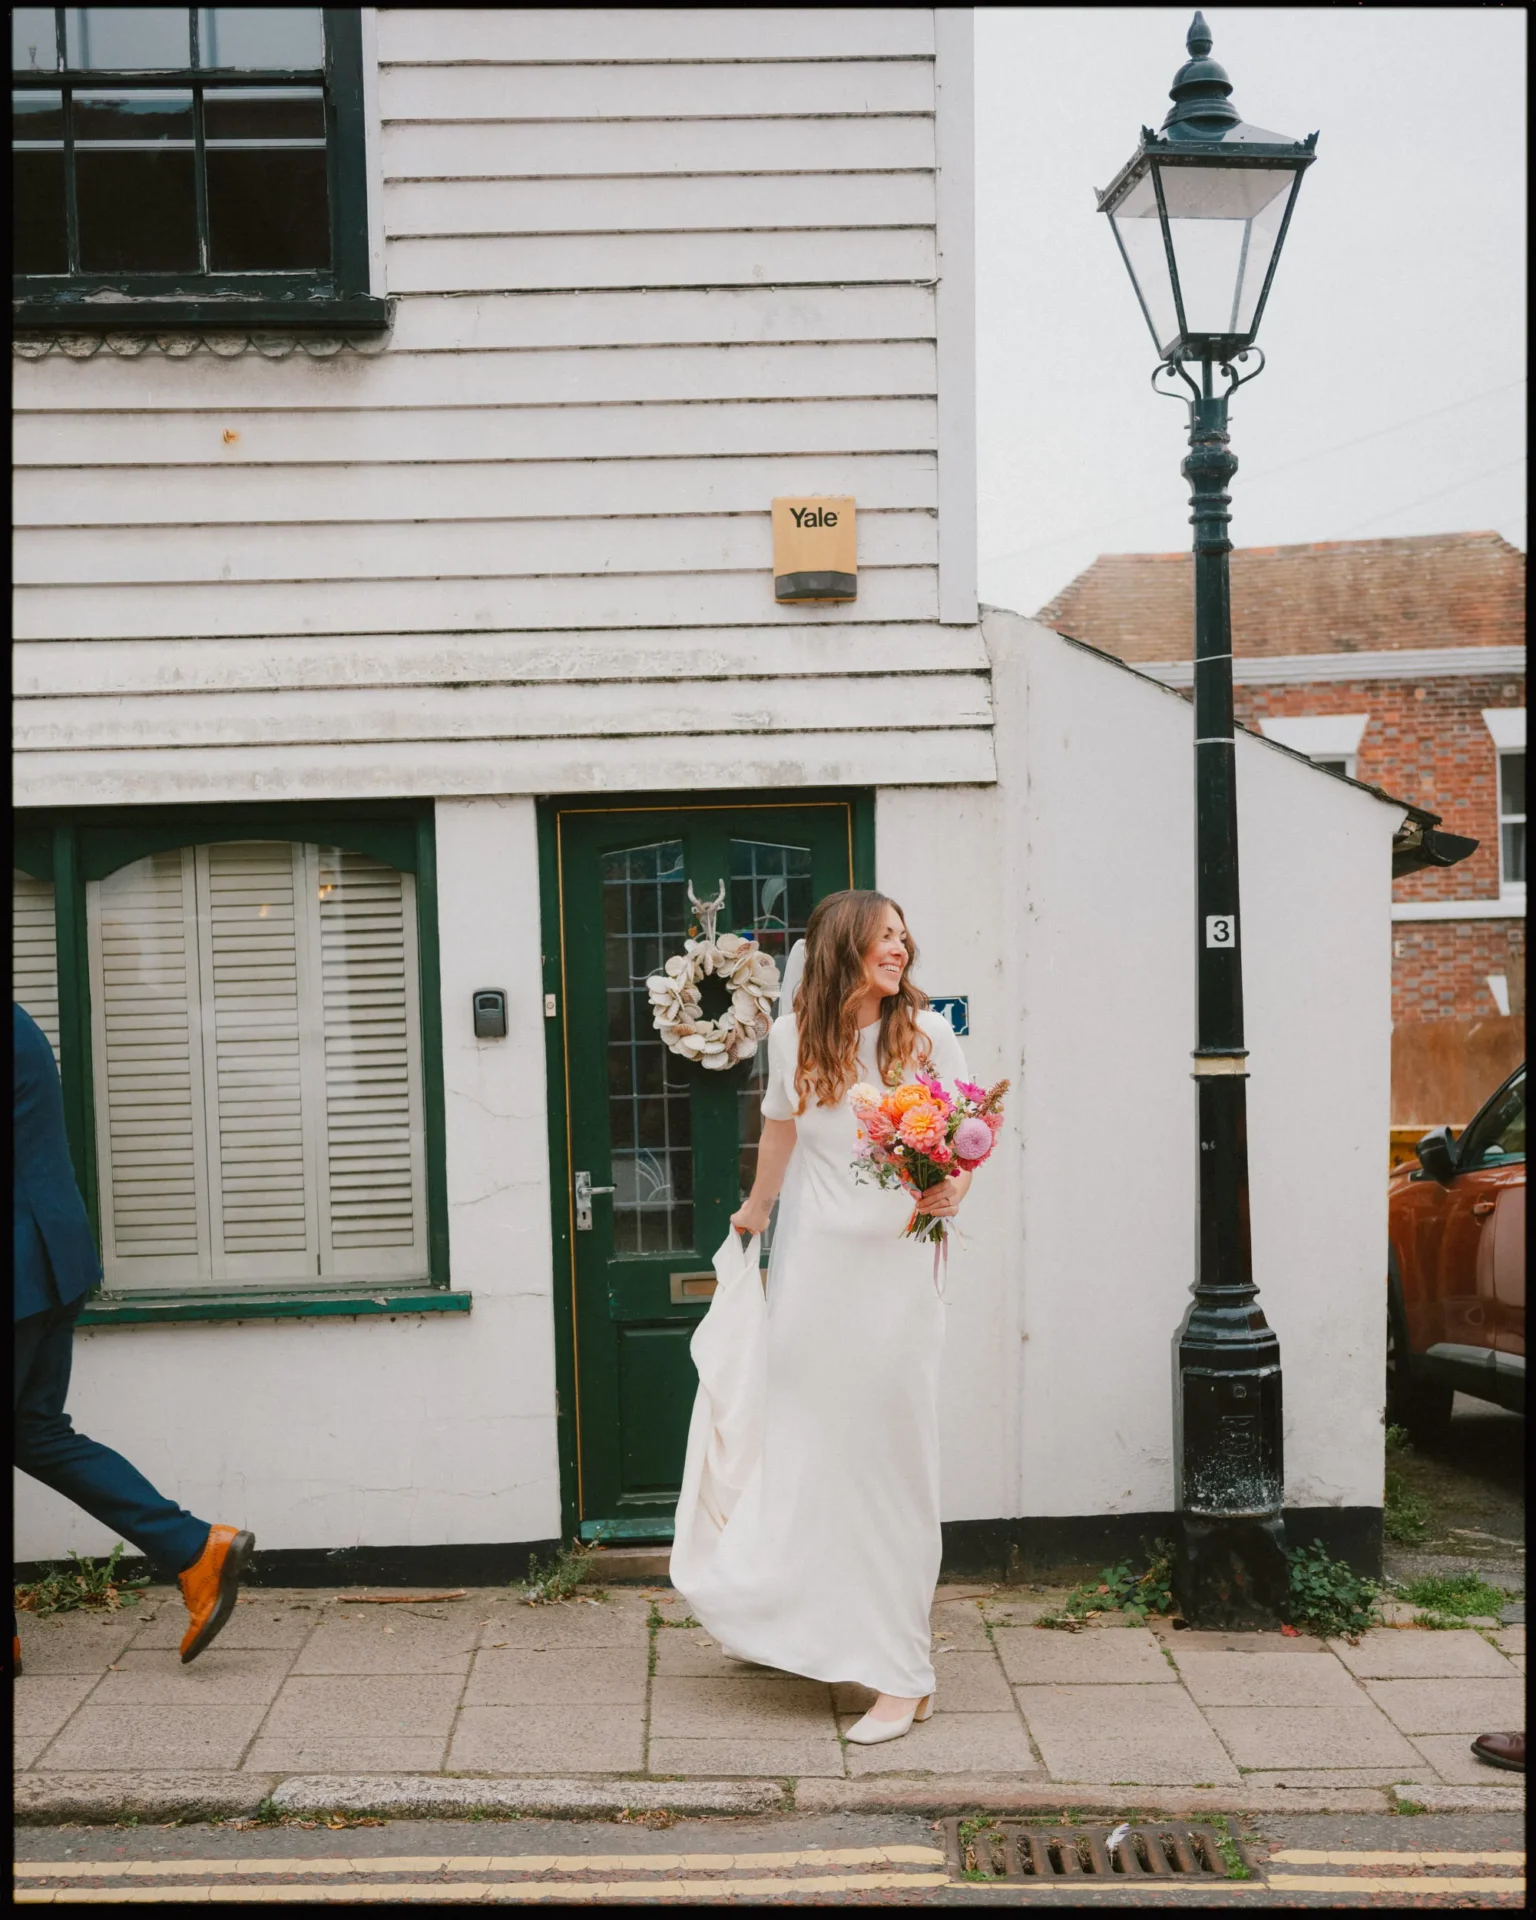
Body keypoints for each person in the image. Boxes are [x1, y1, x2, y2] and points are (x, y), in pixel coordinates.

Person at [670, 891, 973, 1744]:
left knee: (889, 1465)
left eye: (906, 939)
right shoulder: (795, 1038)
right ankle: (806, 1620)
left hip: (897, 1280)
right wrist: (754, 1216)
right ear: (846, 946)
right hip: (814, 1279)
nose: (901, 951)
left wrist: (959, 1185)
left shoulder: (928, 1035)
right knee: (808, 1456)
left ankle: (901, 1673)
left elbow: (970, 1137)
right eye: (886, 938)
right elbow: (782, 1134)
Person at [13, 1002, 255, 1674]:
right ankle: (195, 1549)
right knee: (34, 1431)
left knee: (35, 1429)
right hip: (51, 1261)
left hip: (21, 1270)